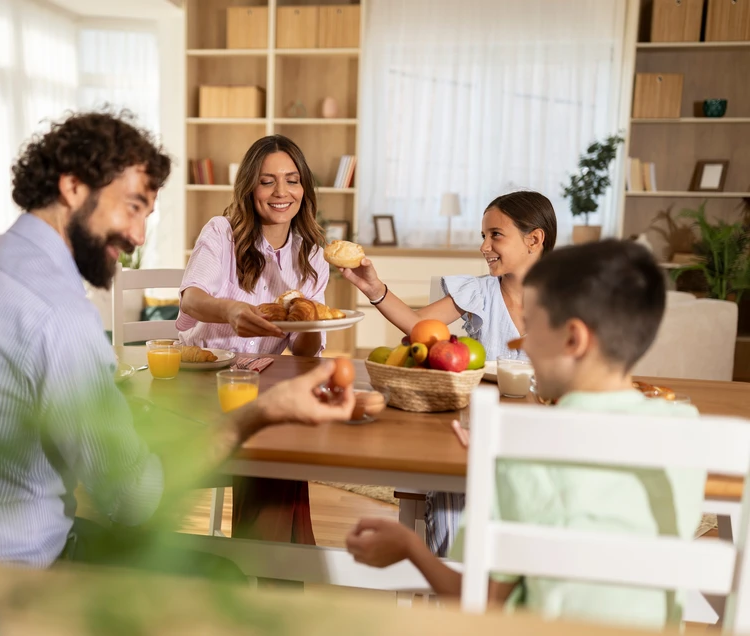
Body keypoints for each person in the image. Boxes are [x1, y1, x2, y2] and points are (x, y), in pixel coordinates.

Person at [0, 111, 354, 571]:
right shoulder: (63, 316)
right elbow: (133, 499)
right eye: (133, 207)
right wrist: (252, 418)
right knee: (225, 573)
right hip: (26, 570)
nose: (138, 237)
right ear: (73, 187)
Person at [346, 240, 705, 629]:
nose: (520, 343)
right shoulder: (686, 429)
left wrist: (410, 548)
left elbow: (482, 607)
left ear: (573, 339)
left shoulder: (520, 450)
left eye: (531, 327)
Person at [341, 190, 558, 556]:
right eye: (483, 236)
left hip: (540, 441)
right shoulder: (480, 292)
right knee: (452, 503)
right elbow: (419, 325)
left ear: (534, 239)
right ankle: (452, 578)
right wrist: (375, 290)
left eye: (495, 235)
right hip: (475, 437)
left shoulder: (570, 301)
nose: (484, 246)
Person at [176, 134, 328, 545]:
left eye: (292, 180)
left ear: (304, 188)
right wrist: (230, 311)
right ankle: (282, 566)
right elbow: (191, 298)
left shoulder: (312, 254)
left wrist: (312, 322)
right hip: (200, 388)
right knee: (277, 447)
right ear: (249, 187)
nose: (281, 192)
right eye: (267, 181)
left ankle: (266, 563)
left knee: (283, 438)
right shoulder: (221, 233)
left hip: (257, 387)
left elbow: (303, 350)